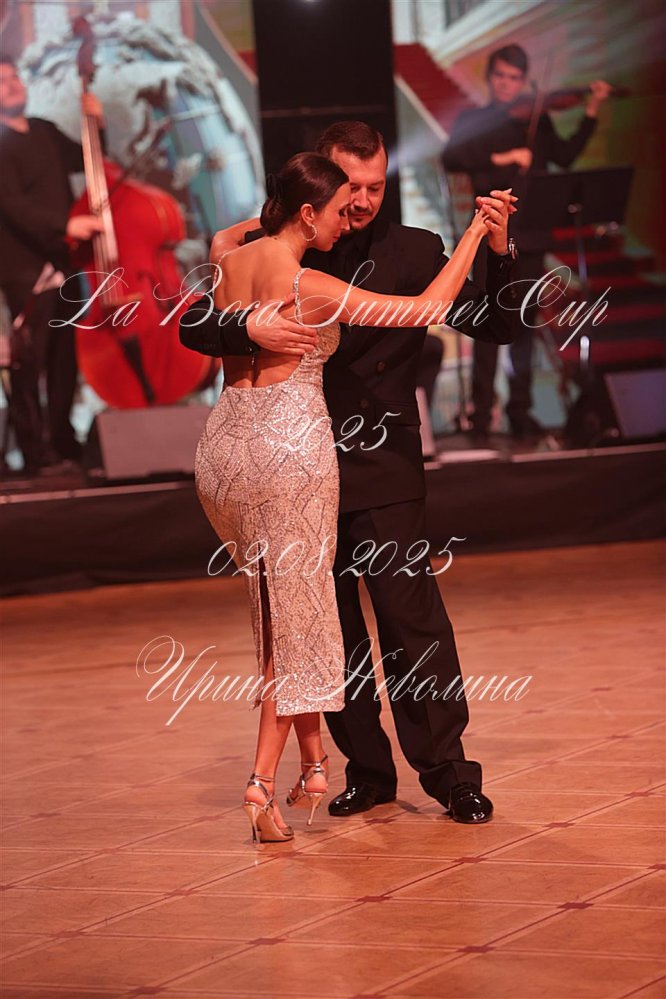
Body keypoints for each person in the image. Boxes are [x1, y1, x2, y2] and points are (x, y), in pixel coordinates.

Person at [183, 121, 518, 829]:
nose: (361, 202)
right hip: (296, 465)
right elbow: (194, 326)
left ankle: (451, 775)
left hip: (380, 462)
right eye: (349, 188)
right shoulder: (271, 246)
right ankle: (366, 771)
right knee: (329, 630)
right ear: (320, 186)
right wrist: (248, 329)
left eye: (374, 187)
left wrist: (495, 248)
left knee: (412, 623)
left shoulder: (415, 248)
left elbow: (494, 324)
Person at [442, 44, 611, 442]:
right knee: (485, 321)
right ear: (490, 77)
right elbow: (452, 156)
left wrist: (591, 110)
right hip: (489, 232)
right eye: (500, 76)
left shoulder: (537, 119)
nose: (506, 84)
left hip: (531, 235)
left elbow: (565, 156)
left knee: (524, 326)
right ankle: (481, 414)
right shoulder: (475, 119)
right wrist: (502, 158)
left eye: (514, 78)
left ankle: (520, 411)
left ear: (523, 82)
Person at [0, 59, 104, 473]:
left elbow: (88, 160)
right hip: (25, 269)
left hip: (66, 260)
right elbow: (13, 204)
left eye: (14, 77)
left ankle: (63, 441)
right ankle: (35, 451)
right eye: (1, 81)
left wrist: (96, 125)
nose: (12, 85)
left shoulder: (43, 129)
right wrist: (65, 224)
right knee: (31, 361)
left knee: (65, 358)